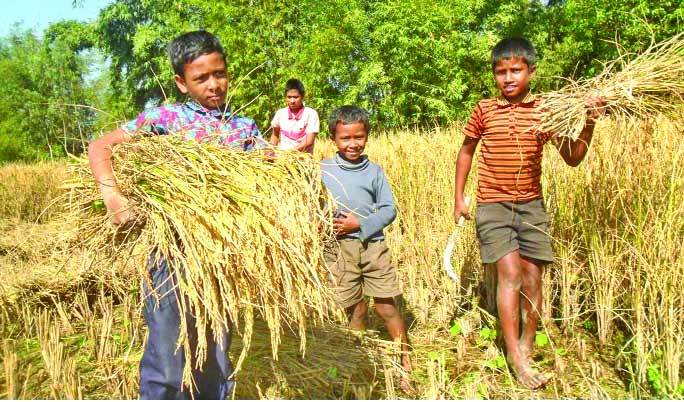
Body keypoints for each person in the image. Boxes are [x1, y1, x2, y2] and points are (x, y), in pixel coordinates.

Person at [87, 30, 262, 399]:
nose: (214, 85)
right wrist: (112, 196)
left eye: (220, 73)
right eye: (201, 78)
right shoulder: (167, 117)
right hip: (172, 256)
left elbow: (270, 173)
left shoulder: (244, 128)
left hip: (222, 257)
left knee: (215, 354)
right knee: (168, 354)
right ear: (181, 83)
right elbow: (101, 145)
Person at [452, 37, 604, 389]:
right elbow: (466, 152)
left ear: (531, 71)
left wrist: (590, 121)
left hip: (531, 205)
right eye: (501, 72)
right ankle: (515, 357)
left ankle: (526, 344)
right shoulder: (484, 110)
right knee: (510, 275)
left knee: (533, 279)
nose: (508, 78)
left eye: (516, 70)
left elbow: (573, 157)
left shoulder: (544, 112)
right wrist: (459, 198)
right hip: (493, 205)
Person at [320, 105, 414, 394]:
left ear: (367, 136)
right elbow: (312, 206)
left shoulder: (374, 172)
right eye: (345, 138)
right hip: (338, 251)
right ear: (333, 139)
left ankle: (405, 360)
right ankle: (357, 363)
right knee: (355, 309)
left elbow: (388, 210)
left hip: (372, 246)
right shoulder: (322, 170)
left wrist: (358, 223)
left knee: (386, 305)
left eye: (358, 137)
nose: (353, 143)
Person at [269, 78, 320, 153]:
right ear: (285, 97)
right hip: (283, 160)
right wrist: (270, 151)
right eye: (289, 97)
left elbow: (309, 141)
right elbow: (275, 135)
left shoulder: (311, 114)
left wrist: (289, 153)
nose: (292, 101)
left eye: (296, 97)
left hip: (303, 161)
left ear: (302, 97)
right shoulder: (280, 113)